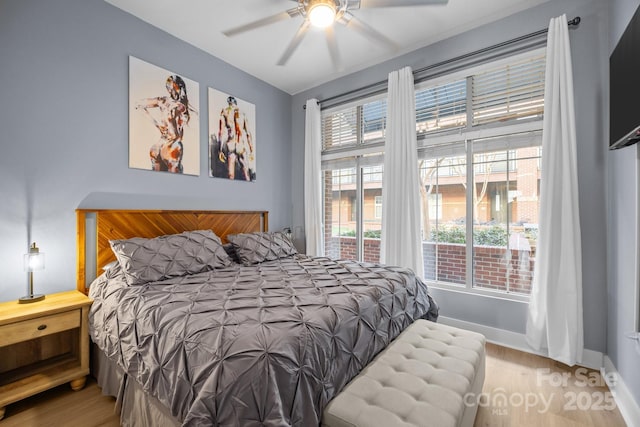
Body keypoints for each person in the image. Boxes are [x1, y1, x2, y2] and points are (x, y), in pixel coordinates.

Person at [136, 75, 193, 173]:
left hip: (158, 146)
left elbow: (138, 104)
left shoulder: (162, 100)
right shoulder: (180, 105)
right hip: (172, 146)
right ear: (180, 87)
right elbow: (178, 129)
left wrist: (156, 124)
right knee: (176, 185)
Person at [217, 96, 255, 180]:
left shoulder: (225, 112)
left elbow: (221, 132)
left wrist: (220, 150)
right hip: (240, 145)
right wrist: (251, 150)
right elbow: (248, 133)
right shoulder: (242, 113)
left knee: (231, 176)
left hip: (230, 145)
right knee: (246, 174)